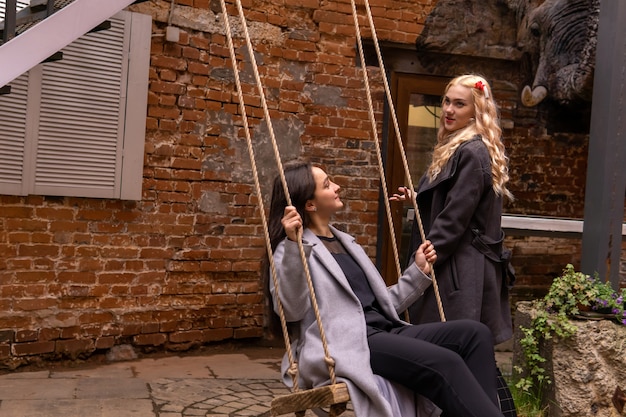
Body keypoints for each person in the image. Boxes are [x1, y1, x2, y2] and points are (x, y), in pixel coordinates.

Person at [268, 159, 504, 417]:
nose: (337, 187)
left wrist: (417, 272)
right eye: (327, 185)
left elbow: (380, 305)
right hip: (350, 344)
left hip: (384, 331)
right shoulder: (291, 250)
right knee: (444, 362)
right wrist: (293, 246)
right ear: (310, 204)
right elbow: (289, 311)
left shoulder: (346, 242)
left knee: (474, 334)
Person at [392, 74, 514, 345]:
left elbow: (454, 219)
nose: (448, 109)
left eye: (459, 104)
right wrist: (419, 198)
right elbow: (457, 200)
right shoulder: (458, 145)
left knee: (448, 346)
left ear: (476, 111)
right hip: (456, 261)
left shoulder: (471, 152)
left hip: (459, 266)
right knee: (451, 347)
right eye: (446, 101)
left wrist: (423, 264)